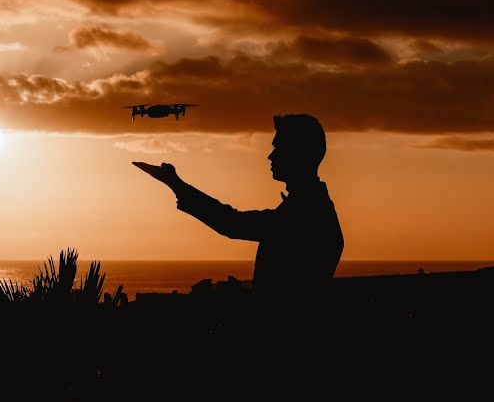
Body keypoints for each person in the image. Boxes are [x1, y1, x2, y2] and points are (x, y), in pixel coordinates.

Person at [133, 113, 343, 312]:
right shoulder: (309, 207)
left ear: (299, 153)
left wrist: (175, 184)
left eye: (279, 148)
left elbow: (232, 223)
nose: (271, 156)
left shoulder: (304, 213)